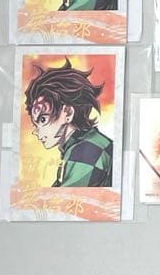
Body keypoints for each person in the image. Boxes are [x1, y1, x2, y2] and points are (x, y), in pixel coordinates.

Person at [24, 59, 112, 187]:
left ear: (68, 113)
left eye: (43, 119)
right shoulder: (79, 146)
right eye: (35, 124)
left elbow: (67, 198)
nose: (36, 132)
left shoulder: (87, 150)